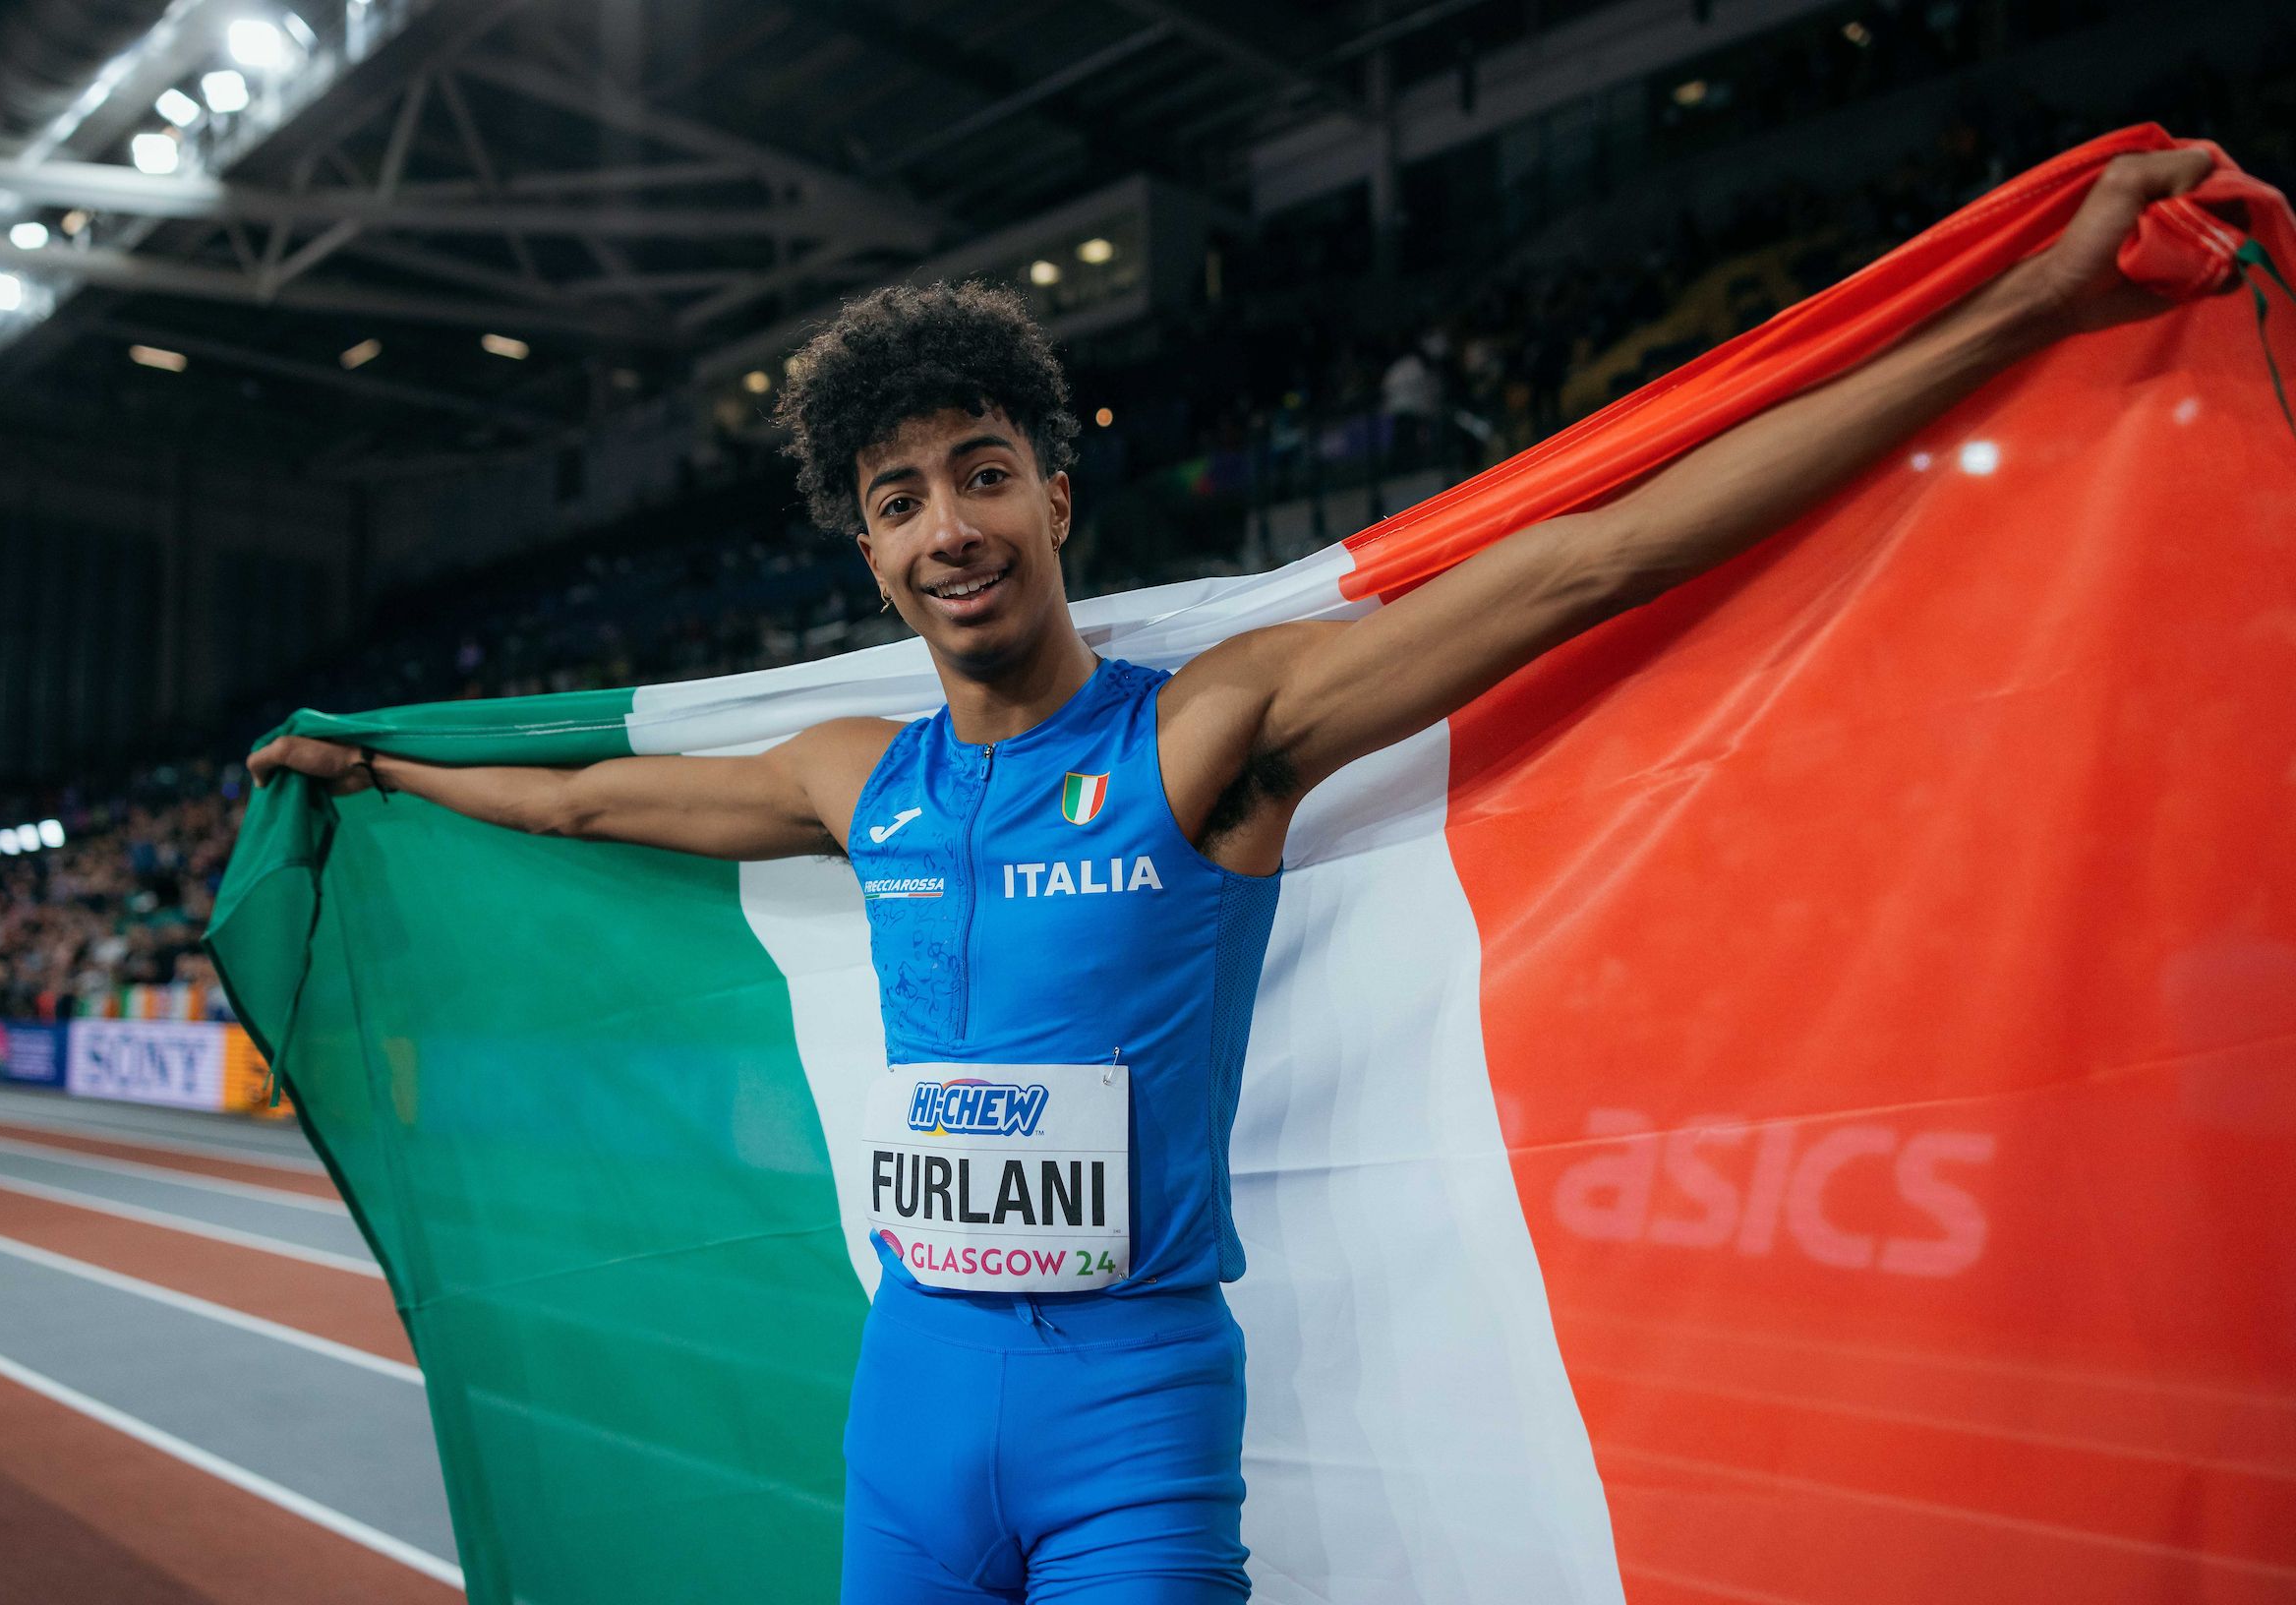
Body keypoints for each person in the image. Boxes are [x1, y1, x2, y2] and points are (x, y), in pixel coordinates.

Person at [248, 148, 2213, 1605]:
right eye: (900, 497)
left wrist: (2032, 307)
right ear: (866, 549)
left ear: (1054, 494)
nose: (950, 527)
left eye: (982, 471)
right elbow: (593, 810)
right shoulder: (861, 785)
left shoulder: (1209, 741)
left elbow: (1589, 565)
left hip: (1128, 1413)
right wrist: (377, 769)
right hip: (911, 1401)